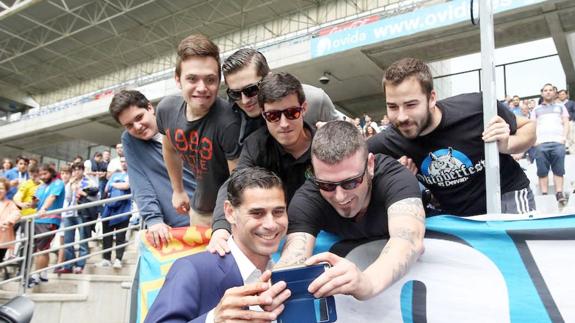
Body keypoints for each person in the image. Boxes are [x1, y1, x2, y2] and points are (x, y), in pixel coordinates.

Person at [277, 120, 425, 301]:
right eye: (326, 185)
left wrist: (367, 282)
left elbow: (408, 240)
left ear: (370, 165)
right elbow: (293, 257)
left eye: (351, 182)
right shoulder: (308, 197)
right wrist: (273, 295)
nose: (340, 196)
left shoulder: (394, 178)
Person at [368, 57, 536, 216]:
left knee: (515, 244)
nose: (401, 116)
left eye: (411, 105)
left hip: (507, 196)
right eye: (392, 107)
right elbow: (352, 165)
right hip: (454, 216)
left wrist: (508, 144)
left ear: (431, 98)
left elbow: (528, 126)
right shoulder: (389, 141)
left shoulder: (477, 108)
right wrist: (394, 177)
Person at [145, 167, 290, 323]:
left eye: (278, 212)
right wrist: (212, 320)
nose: (271, 224)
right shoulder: (192, 269)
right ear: (230, 212)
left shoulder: (289, 273)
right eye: (257, 213)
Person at [209, 72, 314, 254]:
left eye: (292, 113)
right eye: (273, 116)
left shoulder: (323, 143)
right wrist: (220, 229)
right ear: (263, 116)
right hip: (276, 231)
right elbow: (234, 185)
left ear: (303, 108)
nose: (284, 123)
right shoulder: (256, 145)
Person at [157, 34, 241, 226]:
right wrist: (177, 190)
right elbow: (170, 149)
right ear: (178, 80)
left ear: (219, 81)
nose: (202, 88)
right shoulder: (166, 110)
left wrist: (222, 224)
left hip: (231, 213)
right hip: (199, 209)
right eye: (192, 79)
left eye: (210, 80)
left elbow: (237, 183)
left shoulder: (229, 121)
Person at [109, 90, 197, 248]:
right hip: (175, 229)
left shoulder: (180, 121)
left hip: (213, 217)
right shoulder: (130, 140)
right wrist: (153, 219)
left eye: (139, 117)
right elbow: (140, 183)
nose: (137, 127)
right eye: (129, 125)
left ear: (150, 108)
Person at [221, 48, 338, 147]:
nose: (245, 100)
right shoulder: (230, 116)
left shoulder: (314, 100)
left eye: (251, 90)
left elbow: (346, 140)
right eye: (235, 94)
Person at [531, 84, 570, 205]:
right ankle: (544, 194)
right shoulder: (536, 109)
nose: (548, 92)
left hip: (558, 142)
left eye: (550, 90)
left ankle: (559, 193)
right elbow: (532, 127)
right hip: (541, 143)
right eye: (545, 90)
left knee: (559, 169)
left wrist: (563, 138)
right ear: (542, 93)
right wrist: (534, 141)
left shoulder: (561, 107)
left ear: (554, 93)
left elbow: (566, 123)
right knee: (542, 170)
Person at [28, 164, 65, 287]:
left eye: (45, 173)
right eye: (41, 174)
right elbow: (34, 204)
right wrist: (32, 202)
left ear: (51, 172)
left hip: (50, 219)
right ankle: (43, 274)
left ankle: (35, 276)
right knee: (44, 248)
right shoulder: (40, 186)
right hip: (38, 220)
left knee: (41, 249)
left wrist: (43, 208)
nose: (43, 176)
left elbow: (52, 197)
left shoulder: (58, 183)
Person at [56, 163, 96, 274]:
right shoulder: (70, 182)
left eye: (79, 170)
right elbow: (68, 198)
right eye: (75, 170)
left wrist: (82, 192)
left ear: (83, 170)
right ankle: (69, 265)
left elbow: (94, 197)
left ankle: (80, 265)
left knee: (82, 239)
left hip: (82, 213)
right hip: (69, 213)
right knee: (68, 241)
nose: (76, 172)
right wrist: (71, 186)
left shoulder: (89, 182)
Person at [99, 157, 131, 269]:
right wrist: (117, 184)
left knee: (120, 236)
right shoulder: (115, 174)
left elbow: (127, 186)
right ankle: (106, 258)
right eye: (121, 161)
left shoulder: (133, 174)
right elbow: (106, 189)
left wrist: (114, 184)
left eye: (125, 161)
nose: (123, 163)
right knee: (106, 235)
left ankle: (118, 259)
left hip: (124, 209)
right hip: (109, 209)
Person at [0, 178, 20, 261]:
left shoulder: (10, 203)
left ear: (6, 190)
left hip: (2, 240)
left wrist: (8, 221)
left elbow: (17, 213)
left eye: (1, 188)